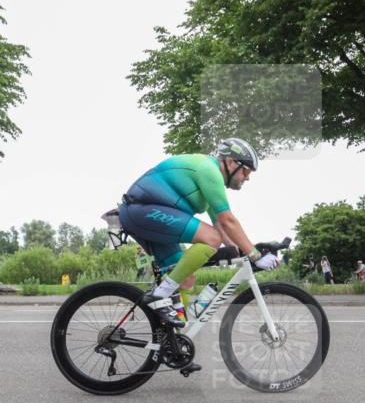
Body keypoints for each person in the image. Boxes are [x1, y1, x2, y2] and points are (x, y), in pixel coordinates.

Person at [117, 138, 278, 326]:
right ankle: (160, 294)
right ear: (231, 162)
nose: (247, 177)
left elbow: (219, 223)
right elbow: (228, 221)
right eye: (247, 170)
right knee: (211, 239)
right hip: (140, 210)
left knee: (185, 279)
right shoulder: (209, 170)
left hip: (148, 215)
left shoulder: (211, 179)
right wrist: (255, 254)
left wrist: (241, 249)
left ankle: (171, 349)